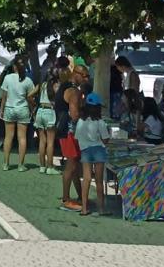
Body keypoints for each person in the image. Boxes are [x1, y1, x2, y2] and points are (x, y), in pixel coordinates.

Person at [75, 93, 111, 216]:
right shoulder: (100, 122)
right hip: (98, 150)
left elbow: (77, 137)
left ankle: (84, 208)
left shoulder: (81, 121)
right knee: (99, 181)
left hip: (85, 150)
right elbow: (106, 139)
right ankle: (101, 209)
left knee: (86, 179)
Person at [0, 57, 36, 171]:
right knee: (22, 138)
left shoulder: (8, 78)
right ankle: (21, 165)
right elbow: (30, 97)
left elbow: (4, 96)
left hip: (9, 108)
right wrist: (32, 110)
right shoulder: (28, 80)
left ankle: (6, 163)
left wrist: (1, 109)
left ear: (14, 66)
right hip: (23, 109)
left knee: (8, 137)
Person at [56, 64, 83, 210]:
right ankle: (66, 200)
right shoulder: (74, 91)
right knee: (71, 165)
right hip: (70, 132)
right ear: (77, 74)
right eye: (84, 76)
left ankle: (80, 196)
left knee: (74, 166)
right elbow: (75, 115)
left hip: (63, 130)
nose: (86, 79)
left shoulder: (63, 87)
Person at [33, 68, 58, 174]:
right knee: (50, 142)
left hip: (40, 111)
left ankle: (42, 166)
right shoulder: (56, 85)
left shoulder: (42, 85)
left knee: (42, 141)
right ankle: (50, 167)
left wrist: (33, 107)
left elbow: (30, 95)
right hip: (50, 111)